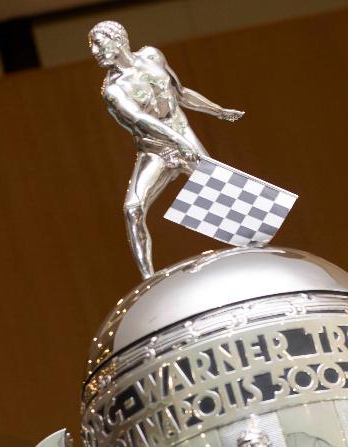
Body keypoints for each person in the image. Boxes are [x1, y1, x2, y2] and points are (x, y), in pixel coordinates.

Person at [89, 20, 244, 278]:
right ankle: (148, 279)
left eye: (97, 43)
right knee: (132, 209)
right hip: (156, 149)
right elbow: (141, 120)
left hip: (182, 134)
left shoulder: (152, 56)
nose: (94, 51)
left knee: (222, 193)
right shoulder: (113, 91)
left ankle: (250, 246)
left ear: (116, 40)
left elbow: (180, 94)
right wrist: (178, 142)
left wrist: (217, 110)